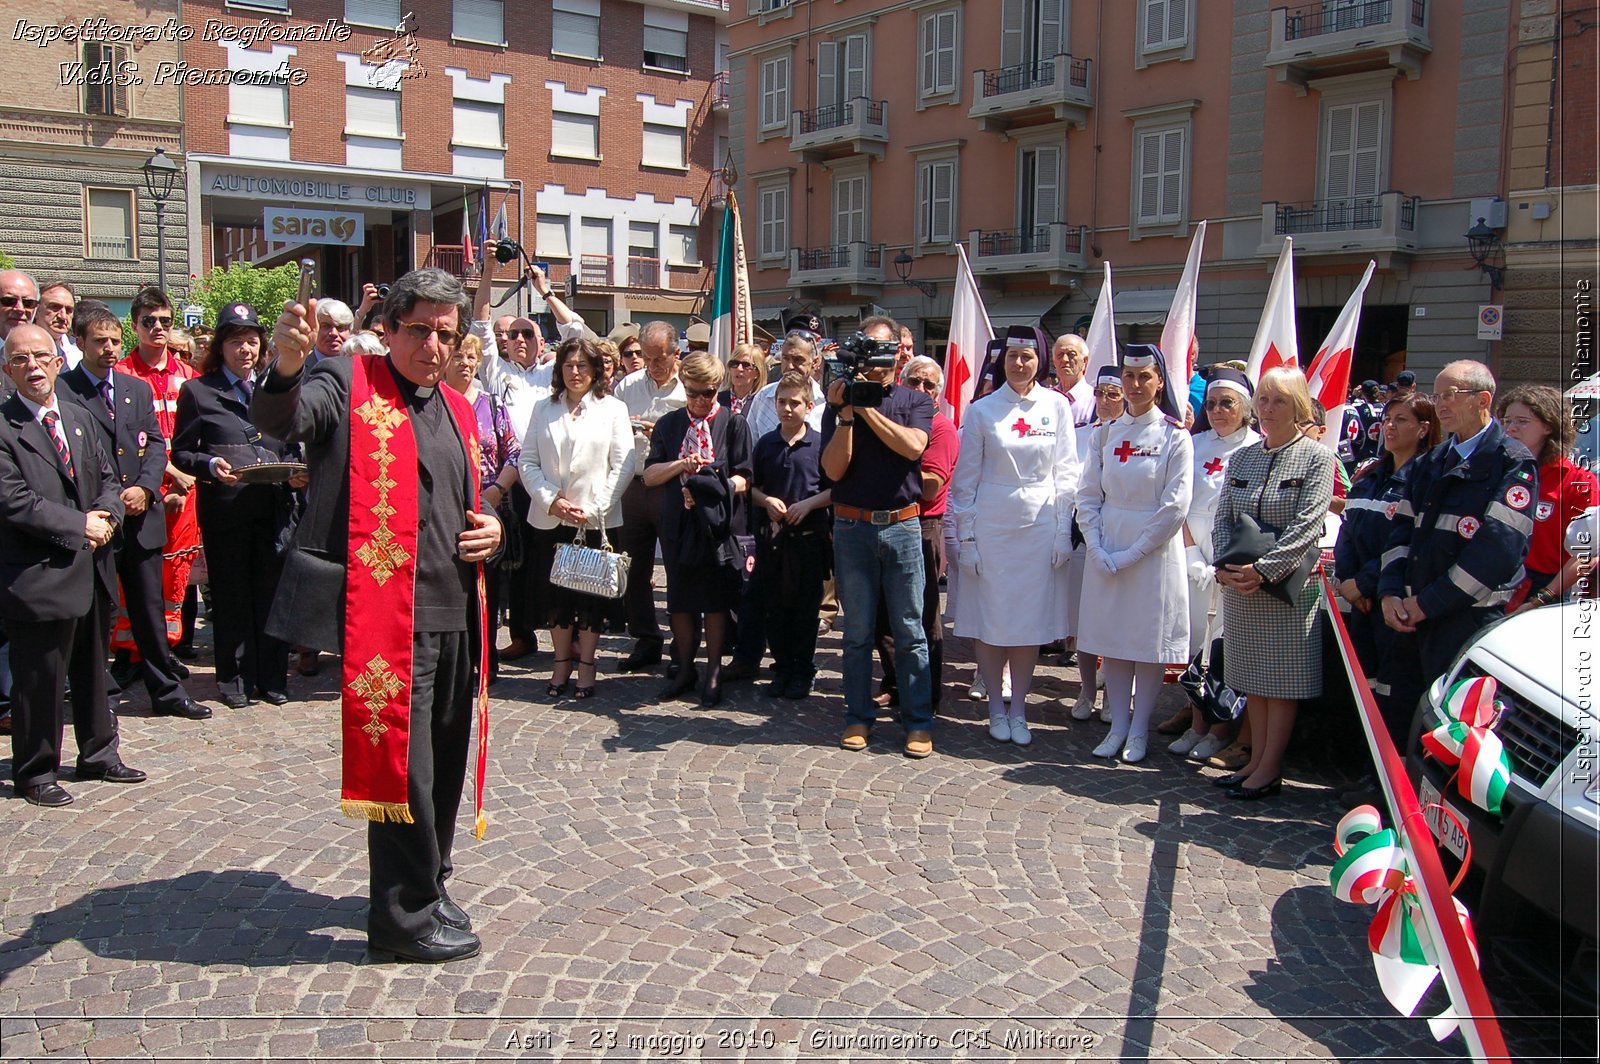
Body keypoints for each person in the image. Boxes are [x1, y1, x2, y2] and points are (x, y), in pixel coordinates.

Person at [255, 267, 502, 964]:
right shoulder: (346, 384)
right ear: (388, 328)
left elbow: (472, 498)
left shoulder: (455, 405)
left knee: (444, 766)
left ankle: (430, 882)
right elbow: (282, 420)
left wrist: (498, 530)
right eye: (418, 330)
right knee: (405, 771)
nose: (431, 346)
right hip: (390, 621)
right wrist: (286, 365)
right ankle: (399, 920)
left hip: (457, 609)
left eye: (444, 334)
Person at [1, 323, 143, 807]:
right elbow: (15, 501)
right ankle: (36, 770)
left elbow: (108, 477)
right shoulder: (4, 427)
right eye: (20, 359)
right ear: (7, 370)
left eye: (41, 356)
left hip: (93, 565)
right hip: (38, 574)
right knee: (40, 680)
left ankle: (98, 752)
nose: (33, 367)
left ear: (58, 361)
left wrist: (107, 515)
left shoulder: (80, 418)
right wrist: (79, 525)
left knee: (93, 669)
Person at [58, 303, 207, 720]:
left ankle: (166, 689)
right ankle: (97, 695)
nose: (109, 349)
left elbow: (156, 444)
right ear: (79, 342)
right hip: (97, 520)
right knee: (96, 612)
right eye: (99, 341)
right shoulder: (64, 390)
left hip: (142, 517)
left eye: (114, 340)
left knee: (149, 607)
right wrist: (104, 503)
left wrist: (145, 487)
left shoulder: (133, 388)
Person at [1379, 361, 1537, 714]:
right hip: (1411, 618)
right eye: (1437, 396)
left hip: (1465, 620)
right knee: (1403, 716)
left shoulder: (1512, 463)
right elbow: (1400, 531)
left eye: (1450, 395)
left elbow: (1497, 551)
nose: (1441, 405)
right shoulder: (1430, 461)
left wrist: (1427, 604)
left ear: (1482, 400)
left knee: (1453, 724)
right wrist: (1389, 593)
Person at [1211, 367, 1338, 800]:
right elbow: (1223, 515)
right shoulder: (1243, 456)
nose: (1267, 409)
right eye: (1263, 400)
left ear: (1299, 405)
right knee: (1253, 681)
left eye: (1279, 401)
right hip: (1241, 586)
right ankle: (1255, 762)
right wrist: (1225, 565)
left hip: (1286, 589)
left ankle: (1268, 770)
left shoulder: (1317, 458)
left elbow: (1308, 526)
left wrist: (1264, 571)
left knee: (1281, 684)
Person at [949, 329, 1079, 746]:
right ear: (1001, 361)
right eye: (1011, 357)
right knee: (991, 621)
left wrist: (1064, 533)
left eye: (1026, 357)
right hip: (992, 526)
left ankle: (1019, 708)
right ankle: (993, 708)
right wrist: (965, 538)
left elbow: (1067, 474)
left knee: (1028, 624)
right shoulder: (983, 410)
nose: (1019, 364)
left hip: (1039, 529)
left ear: (1039, 360)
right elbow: (964, 482)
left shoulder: (1057, 406)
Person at [171, 303, 302, 709]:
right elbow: (181, 452)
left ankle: (272, 678)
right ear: (220, 346)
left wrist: (300, 468)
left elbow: (293, 439)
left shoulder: (274, 387)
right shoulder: (199, 390)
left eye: (251, 340)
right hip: (226, 509)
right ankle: (234, 681)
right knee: (231, 595)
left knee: (271, 593)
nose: (244, 349)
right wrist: (210, 464)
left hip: (273, 507)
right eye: (235, 341)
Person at [822, 314, 936, 757]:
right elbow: (833, 471)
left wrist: (866, 407)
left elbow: (913, 447)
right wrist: (847, 416)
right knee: (856, 633)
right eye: (864, 350)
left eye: (879, 350)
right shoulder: (840, 403)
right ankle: (857, 716)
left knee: (910, 629)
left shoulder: (913, 399)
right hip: (851, 526)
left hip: (903, 525)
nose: (872, 359)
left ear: (896, 352)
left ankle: (918, 721)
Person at [1076, 344, 1193, 763]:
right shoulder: (1104, 434)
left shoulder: (1174, 436)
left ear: (1160, 381)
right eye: (1129, 377)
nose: (1136, 384)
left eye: (1145, 376)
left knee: (1146, 643)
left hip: (1153, 551)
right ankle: (1118, 726)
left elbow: (1175, 506)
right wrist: (1097, 545)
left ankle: (1139, 729)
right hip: (1106, 544)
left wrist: (1132, 554)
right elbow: (1087, 494)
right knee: (1113, 638)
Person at [517, 337, 634, 700]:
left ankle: (587, 664)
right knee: (556, 596)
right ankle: (560, 662)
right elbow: (527, 461)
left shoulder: (612, 409)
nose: (575, 372)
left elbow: (624, 463)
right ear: (559, 370)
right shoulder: (544, 408)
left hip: (595, 518)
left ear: (596, 370)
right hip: (551, 518)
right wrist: (551, 501)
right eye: (568, 365)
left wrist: (596, 507)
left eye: (583, 366)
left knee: (589, 597)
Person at [641, 353, 753, 706]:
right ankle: (685, 666)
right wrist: (680, 465)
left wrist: (712, 484)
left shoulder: (734, 424)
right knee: (680, 600)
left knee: (716, 601)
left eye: (707, 393)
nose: (701, 401)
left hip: (717, 525)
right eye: (693, 394)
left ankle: (715, 669)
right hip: (678, 523)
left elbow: (745, 478)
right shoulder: (670, 424)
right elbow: (650, 475)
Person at [1333, 393, 1438, 752]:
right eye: (1389, 418)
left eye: (1403, 420)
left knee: (1392, 692)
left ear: (1424, 429)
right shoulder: (1370, 473)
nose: (1390, 426)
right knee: (1365, 685)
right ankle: (1361, 760)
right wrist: (1348, 583)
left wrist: (1364, 583)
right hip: (1358, 600)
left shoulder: (1425, 478)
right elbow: (1347, 528)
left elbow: (1403, 542)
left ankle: (1381, 772)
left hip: (1391, 600)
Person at [1165, 368, 1260, 760]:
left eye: (1228, 403)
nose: (1218, 410)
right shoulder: (1193, 443)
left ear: (1246, 408)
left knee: (1223, 648)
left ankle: (1220, 729)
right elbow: (1178, 501)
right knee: (1192, 642)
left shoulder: (1257, 448)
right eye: (1213, 403)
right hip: (1191, 556)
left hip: (1231, 562)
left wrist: (1226, 562)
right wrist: (1191, 554)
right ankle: (1196, 721)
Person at [116, 288, 203, 662]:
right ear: (135, 325)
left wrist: (186, 476)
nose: (158, 328)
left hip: (187, 489)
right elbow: (122, 437)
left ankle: (166, 653)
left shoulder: (189, 377)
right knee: (134, 573)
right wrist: (167, 472)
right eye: (149, 321)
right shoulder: (120, 374)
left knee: (177, 569)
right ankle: (128, 651)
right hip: (139, 487)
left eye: (165, 321)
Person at [749, 372, 833, 699]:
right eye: (782, 402)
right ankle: (782, 666)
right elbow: (751, 486)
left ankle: (803, 668)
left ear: (809, 406)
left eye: (794, 403)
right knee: (776, 607)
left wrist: (808, 505)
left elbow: (834, 490)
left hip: (810, 537)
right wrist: (766, 500)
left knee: (805, 607)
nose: (787, 409)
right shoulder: (766, 444)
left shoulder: (820, 444)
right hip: (774, 539)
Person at [445, 333, 521, 685]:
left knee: (486, 590)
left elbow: (515, 453)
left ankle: (487, 660)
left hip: (487, 505)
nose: (464, 362)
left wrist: (496, 490)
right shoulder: (436, 402)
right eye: (458, 355)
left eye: (470, 356)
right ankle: (455, 661)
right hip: (445, 508)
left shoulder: (492, 405)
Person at [613, 320, 688, 673]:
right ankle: (645, 637)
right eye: (647, 357)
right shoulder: (627, 386)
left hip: (672, 487)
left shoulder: (688, 389)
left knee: (676, 565)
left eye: (660, 357)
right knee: (634, 567)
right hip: (634, 483)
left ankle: (683, 641)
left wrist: (662, 431)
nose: (653, 364)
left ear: (677, 353)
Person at [1497, 384, 1598, 611]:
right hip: (1491, 586)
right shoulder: (1495, 472)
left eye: (1522, 421)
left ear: (1549, 426)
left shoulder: (1577, 480)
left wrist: (1542, 597)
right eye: (1507, 421)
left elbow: (1586, 554)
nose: (1511, 429)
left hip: (1546, 594)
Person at [1064, 365, 1125, 722]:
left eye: (1112, 394)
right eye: (1099, 393)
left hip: (1118, 538)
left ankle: (1113, 695)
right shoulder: (1079, 434)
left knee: (1115, 620)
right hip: (1082, 536)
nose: (1103, 401)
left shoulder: (1131, 436)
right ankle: (1087, 689)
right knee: (1083, 619)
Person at [745, 333, 826, 442]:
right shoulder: (763, 397)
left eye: (798, 360)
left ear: (815, 362)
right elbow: (749, 446)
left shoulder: (825, 402)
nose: (790, 366)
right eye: (786, 358)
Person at [1051, 333, 1096, 427]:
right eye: (1060, 355)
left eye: (1071, 355)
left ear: (1085, 361)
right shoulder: (1044, 398)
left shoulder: (1095, 400)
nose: (1065, 360)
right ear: (1054, 361)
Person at [34, 282, 81, 369]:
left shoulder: (81, 352)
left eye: (68, 310)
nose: (63, 317)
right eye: (54, 307)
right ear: (36, 310)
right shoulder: (21, 349)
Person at [719, 342, 765, 418]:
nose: (739, 368)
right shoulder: (717, 401)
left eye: (746, 365)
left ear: (757, 373)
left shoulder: (762, 403)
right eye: (734, 364)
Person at [310, 298, 356, 369]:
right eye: (325, 326)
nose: (334, 333)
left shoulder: (359, 368)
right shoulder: (296, 370)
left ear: (350, 331)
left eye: (340, 327)